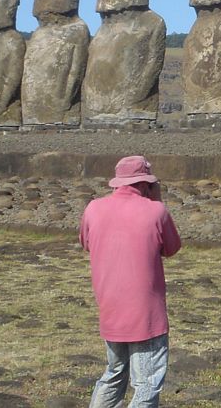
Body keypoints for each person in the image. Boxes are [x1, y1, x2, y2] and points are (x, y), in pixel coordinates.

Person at [80, 155, 182, 408]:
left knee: (114, 373)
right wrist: (156, 201)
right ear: (146, 183)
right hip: (146, 312)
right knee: (147, 381)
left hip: (110, 305)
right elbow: (172, 248)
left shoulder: (93, 207)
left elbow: (86, 243)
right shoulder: (155, 210)